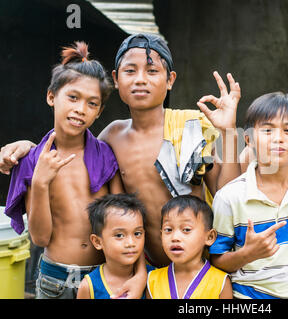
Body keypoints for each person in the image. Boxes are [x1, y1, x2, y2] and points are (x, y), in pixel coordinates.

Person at [0, 34, 242, 275]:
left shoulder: (192, 127)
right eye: (130, 71)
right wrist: (29, 148)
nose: (140, 80)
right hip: (146, 271)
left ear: (170, 80)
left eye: (152, 71)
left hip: (198, 268)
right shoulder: (112, 137)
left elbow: (229, 195)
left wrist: (229, 132)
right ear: (116, 79)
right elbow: (72, 143)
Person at [2, 42, 145, 299]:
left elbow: (125, 219)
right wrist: (41, 182)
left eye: (92, 104)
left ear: (99, 111)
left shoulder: (104, 156)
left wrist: (138, 273)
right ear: (51, 96)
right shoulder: (33, 161)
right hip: (53, 280)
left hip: (102, 278)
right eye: (73, 97)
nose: (81, 109)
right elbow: (41, 237)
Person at [209, 92, 288, 299]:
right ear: (248, 139)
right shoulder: (230, 197)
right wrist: (248, 253)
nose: (278, 138)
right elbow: (216, 260)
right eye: (267, 130)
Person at [147, 195, 232, 299]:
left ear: (209, 237)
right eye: (168, 230)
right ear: (161, 236)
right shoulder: (153, 280)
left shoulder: (221, 282)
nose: (175, 237)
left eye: (186, 229)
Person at [77, 193, 150, 299]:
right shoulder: (89, 286)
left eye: (137, 233)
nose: (131, 243)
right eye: (119, 235)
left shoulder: (154, 278)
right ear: (97, 242)